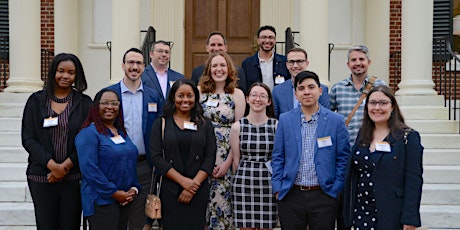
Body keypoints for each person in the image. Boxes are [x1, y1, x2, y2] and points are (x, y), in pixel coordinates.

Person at [271, 71, 350, 230]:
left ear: (320, 91)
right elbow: (278, 156)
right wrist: (278, 188)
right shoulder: (285, 120)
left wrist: (336, 189)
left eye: (311, 87)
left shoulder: (336, 121)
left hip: (324, 195)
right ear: (296, 94)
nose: (306, 92)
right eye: (301, 88)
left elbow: (343, 158)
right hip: (291, 194)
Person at [21, 53, 91, 229]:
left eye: (71, 72)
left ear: (77, 76)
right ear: (53, 72)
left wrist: (65, 166)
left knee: (70, 226)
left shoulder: (84, 103)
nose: (65, 76)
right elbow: (28, 138)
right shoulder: (36, 101)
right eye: (61, 71)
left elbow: (87, 141)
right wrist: (53, 166)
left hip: (73, 178)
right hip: (41, 176)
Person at [343, 85, 423, 229]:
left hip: (390, 214)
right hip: (360, 213)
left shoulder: (408, 137)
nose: (377, 107)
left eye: (383, 103)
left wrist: (410, 218)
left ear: (392, 107)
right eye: (372, 103)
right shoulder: (363, 134)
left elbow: (413, 181)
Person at [106, 47, 163, 229]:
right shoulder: (109, 95)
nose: (134, 66)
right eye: (130, 62)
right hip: (115, 165)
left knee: (138, 220)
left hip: (143, 166)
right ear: (123, 65)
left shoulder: (153, 95)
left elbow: (159, 129)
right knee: (116, 217)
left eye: (138, 63)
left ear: (144, 67)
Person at [150, 79, 217, 229]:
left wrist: (193, 186)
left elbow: (210, 156)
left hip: (198, 190)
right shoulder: (161, 123)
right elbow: (156, 157)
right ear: (173, 97)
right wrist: (183, 182)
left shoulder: (205, 124)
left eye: (190, 95)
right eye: (180, 95)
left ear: (196, 98)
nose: (185, 100)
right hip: (170, 190)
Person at [76, 88, 141, 229]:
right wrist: (114, 192)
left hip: (124, 200)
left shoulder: (121, 133)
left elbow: (130, 160)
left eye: (114, 103)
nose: (110, 107)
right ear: (96, 106)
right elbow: (89, 169)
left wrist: (134, 188)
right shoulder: (88, 134)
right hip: (101, 201)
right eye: (105, 103)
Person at [198, 51, 246, 229]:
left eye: (222, 65)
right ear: (209, 69)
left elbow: (239, 131)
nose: (219, 69)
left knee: (224, 203)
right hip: (202, 155)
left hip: (228, 155)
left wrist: (227, 163)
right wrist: (205, 164)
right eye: (215, 66)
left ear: (229, 69)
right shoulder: (200, 92)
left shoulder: (237, 94)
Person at [230, 82, 278, 230]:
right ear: (247, 99)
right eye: (254, 95)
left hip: (268, 182)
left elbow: (278, 158)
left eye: (263, 96)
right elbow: (236, 161)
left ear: (268, 101)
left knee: (266, 226)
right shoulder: (237, 126)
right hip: (244, 182)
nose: (258, 99)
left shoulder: (276, 125)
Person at [329, 45, 385, 147]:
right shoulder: (337, 89)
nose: (358, 63)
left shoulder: (381, 86)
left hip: (372, 147)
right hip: (346, 148)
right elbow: (327, 117)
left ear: (369, 62)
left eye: (361, 59)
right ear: (348, 64)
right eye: (353, 60)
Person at [272, 47, 330, 119]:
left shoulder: (322, 89)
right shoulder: (278, 91)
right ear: (287, 65)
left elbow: (325, 117)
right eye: (291, 62)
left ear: (307, 63)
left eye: (299, 61)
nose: (295, 66)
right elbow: (274, 118)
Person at [242, 25, 290, 91]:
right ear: (258, 40)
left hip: (278, 100)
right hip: (257, 100)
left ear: (275, 40)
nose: (267, 41)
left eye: (271, 37)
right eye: (263, 37)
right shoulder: (247, 63)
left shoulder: (285, 62)